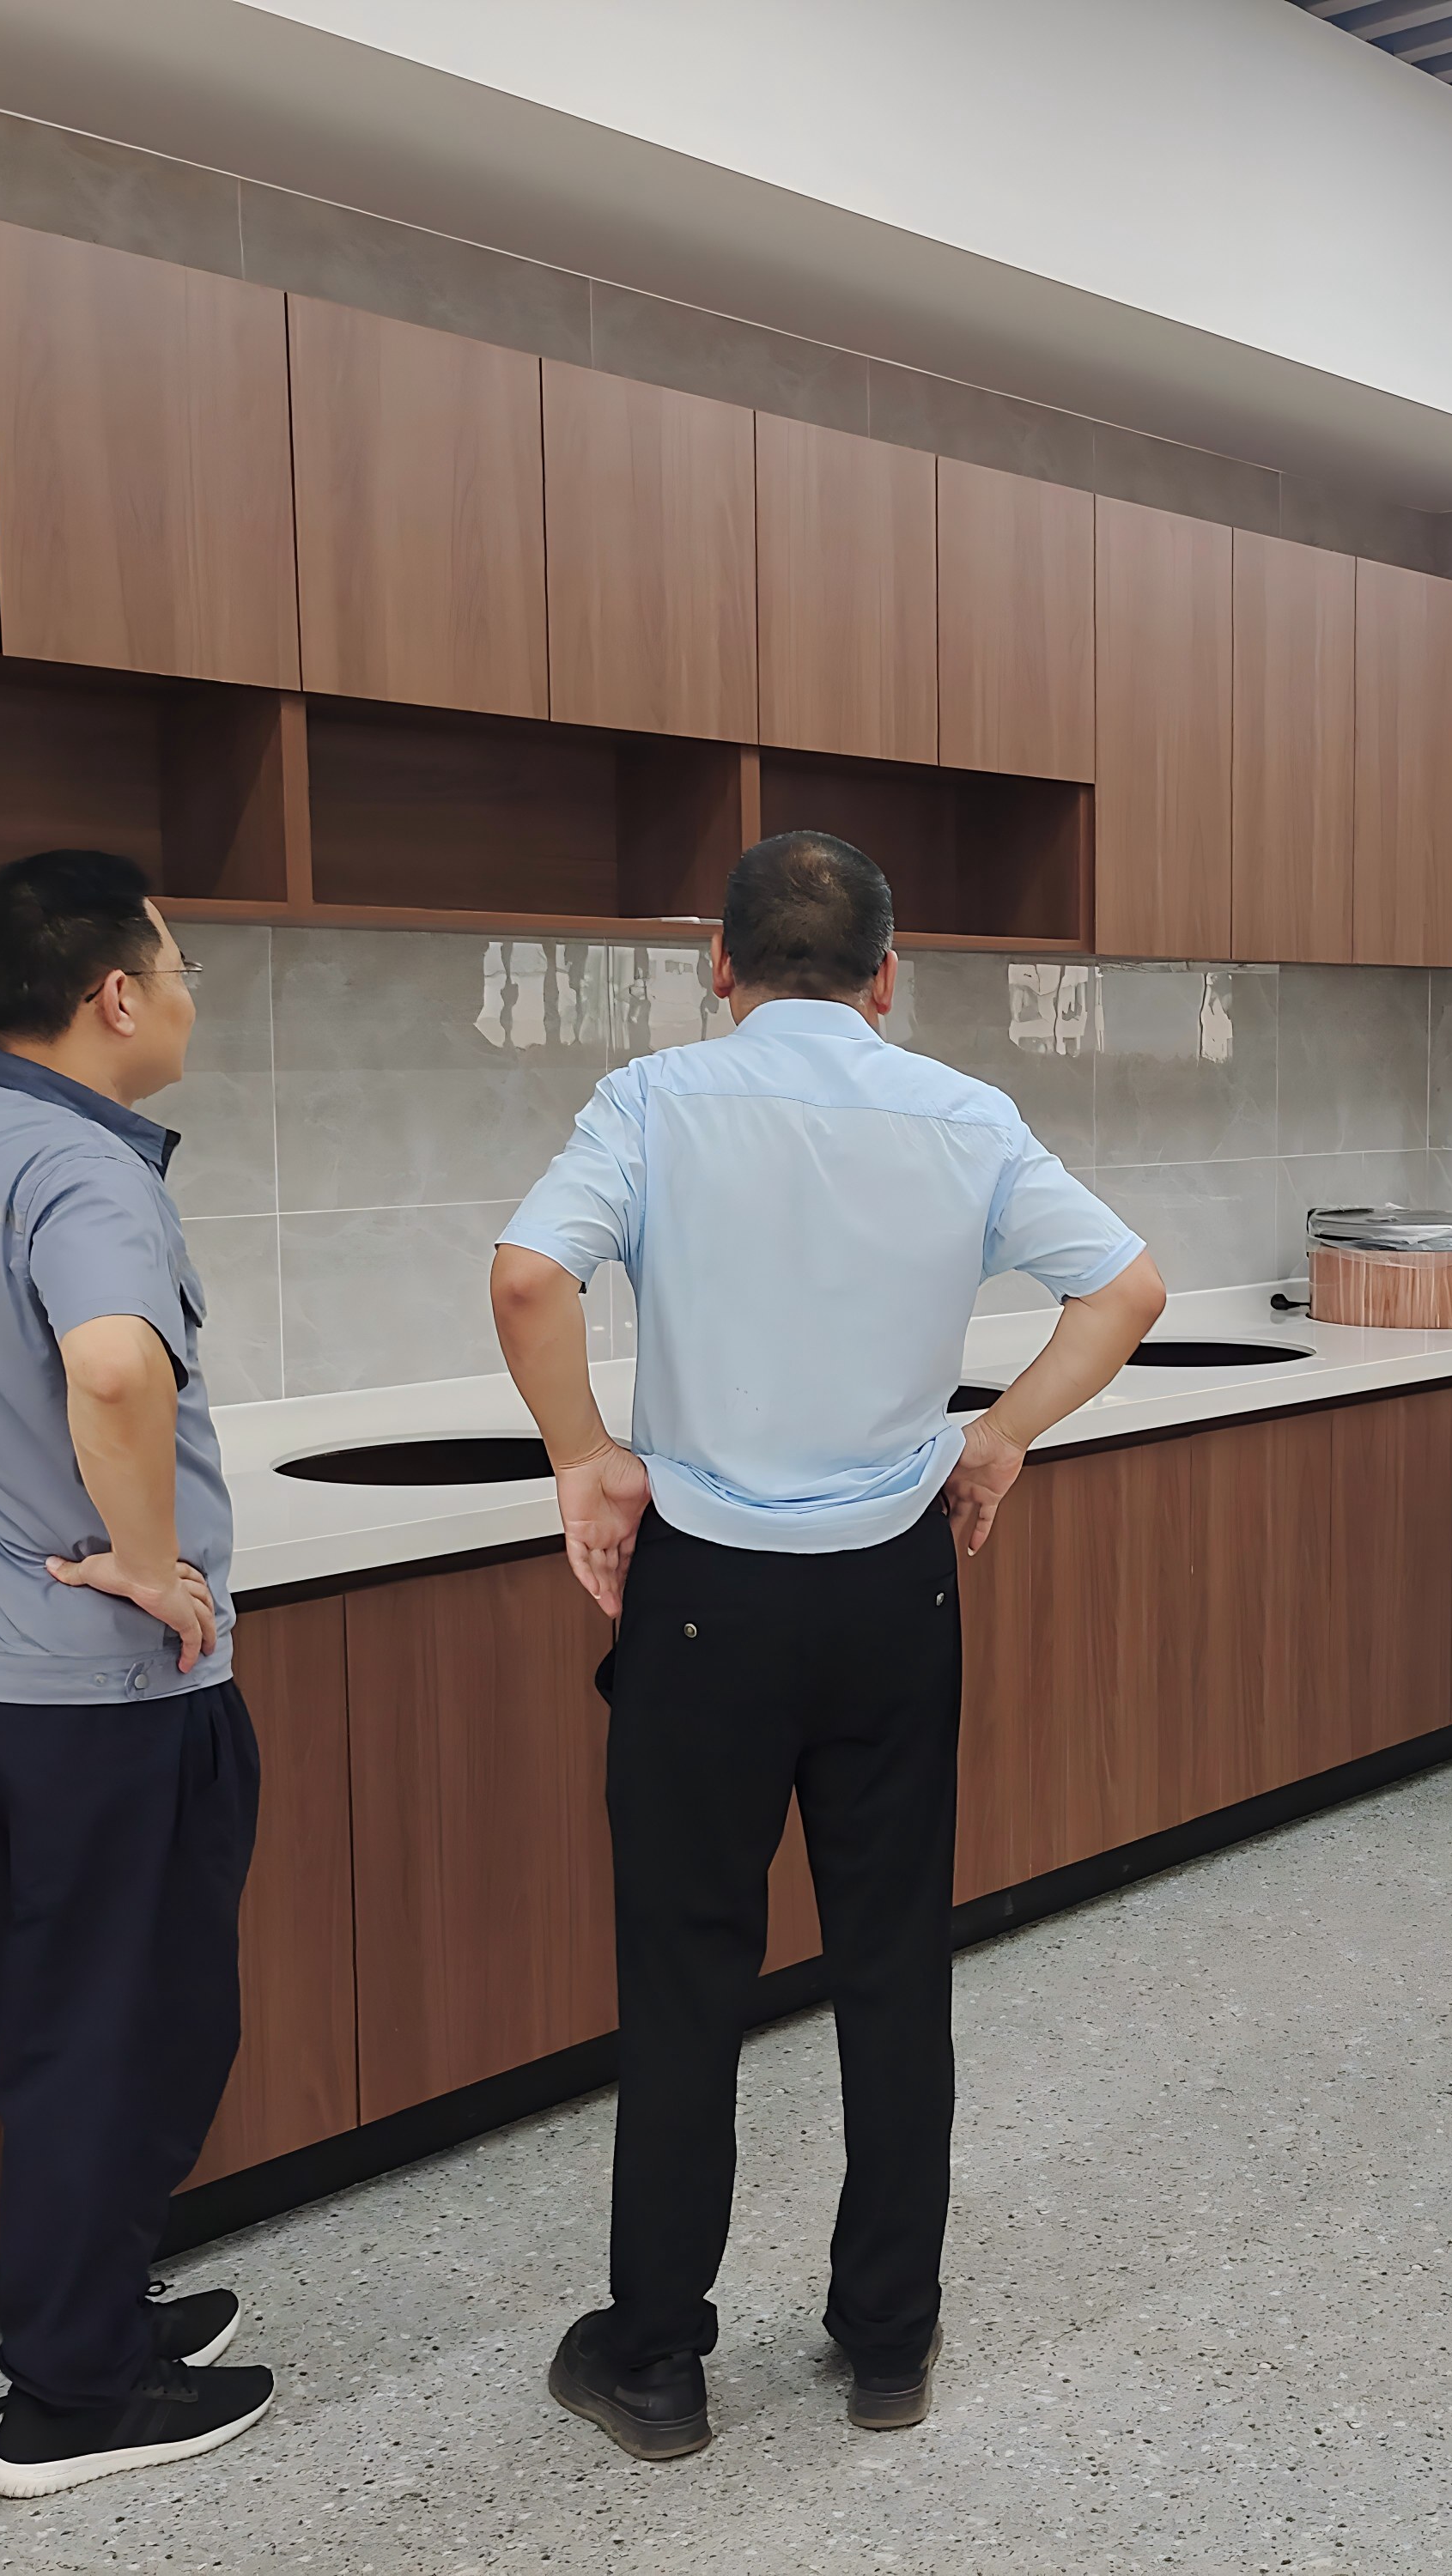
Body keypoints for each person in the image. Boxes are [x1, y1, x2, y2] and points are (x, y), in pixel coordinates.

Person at [492, 830, 1165, 2460]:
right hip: (890, 1593)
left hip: (705, 1597)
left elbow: (526, 1280)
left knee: (686, 1975)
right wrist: (997, 1438)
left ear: (719, 968)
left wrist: (585, 1458)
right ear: (887, 977)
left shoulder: (652, 1100)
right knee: (892, 1963)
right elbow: (1127, 1290)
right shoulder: (964, 1114)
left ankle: (656, 2362)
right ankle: (887, 2341)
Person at [0, 849, 271, 2499]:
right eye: (175, 969)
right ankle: (71, 2400)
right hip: (102, 1693)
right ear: (114, 996)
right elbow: (112, 1367)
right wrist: (153, 1565)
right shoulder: (82, 1171)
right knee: (135, 2031)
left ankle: (90, 2313)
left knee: (60, 2024)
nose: (185, 997)